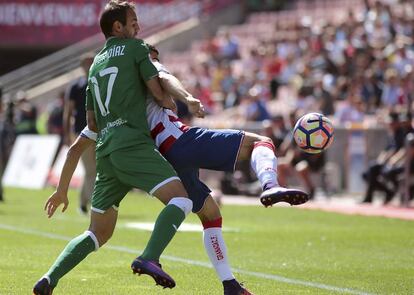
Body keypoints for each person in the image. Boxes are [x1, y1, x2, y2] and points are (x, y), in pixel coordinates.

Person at [42, 43, 309, 295]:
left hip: (154, 157)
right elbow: (166, 79)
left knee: (210, 215)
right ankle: (270, 185)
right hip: (177, 141)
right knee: (261, 142)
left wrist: (61, 190)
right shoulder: (148, 66)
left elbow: (79, 143)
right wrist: (188, 98)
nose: (157, 59)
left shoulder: (120, 99)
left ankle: (229, 284)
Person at [33, 1, 201, 293]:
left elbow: (90, 124)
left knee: (96, 233)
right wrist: (170, 101)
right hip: (133, 144)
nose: (138, 26)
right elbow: (158, 89)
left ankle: (49, 278)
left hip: (106, 154)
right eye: (133, 20)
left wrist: (62, 191)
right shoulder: (136, 48)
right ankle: (150, 257)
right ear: (118, 27)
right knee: (182, 200)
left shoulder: (94, 67)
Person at [63, 52, 96, 214]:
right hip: (83, 132)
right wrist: (67, 134)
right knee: (91, 169)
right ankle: (91, 204)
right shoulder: (75, 86)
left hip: (102, 130)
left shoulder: (100, 81)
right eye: (87, 63)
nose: (89, 66)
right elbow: (68, 112)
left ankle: (84, 202)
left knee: (95, 170)